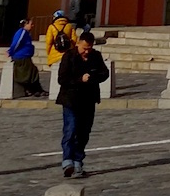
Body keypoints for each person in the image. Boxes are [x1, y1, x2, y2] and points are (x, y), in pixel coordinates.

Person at [56, 32, 110, 178]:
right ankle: (67, 161)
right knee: (71, 129)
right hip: (71, 100)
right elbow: (62, 79)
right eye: (84, 48)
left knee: (84, 131)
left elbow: (105, 73)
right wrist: (80, 79)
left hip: (88, 99)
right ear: (78, 43)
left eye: (89, 48)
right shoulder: (69, 56)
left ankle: (78, 161)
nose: (86, 51)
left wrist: (93, 77)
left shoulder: (96, 56)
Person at [7, 18, 46, 97]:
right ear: (25, 24)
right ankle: (34, 90)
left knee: (32, 72)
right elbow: (16, 43)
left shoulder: (26, 33)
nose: (32, 26)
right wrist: (10, 52)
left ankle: (34, 89)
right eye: (31, 24)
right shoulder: (22, 32)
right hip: (22, 57)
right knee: (31, 73)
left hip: (25, 56)